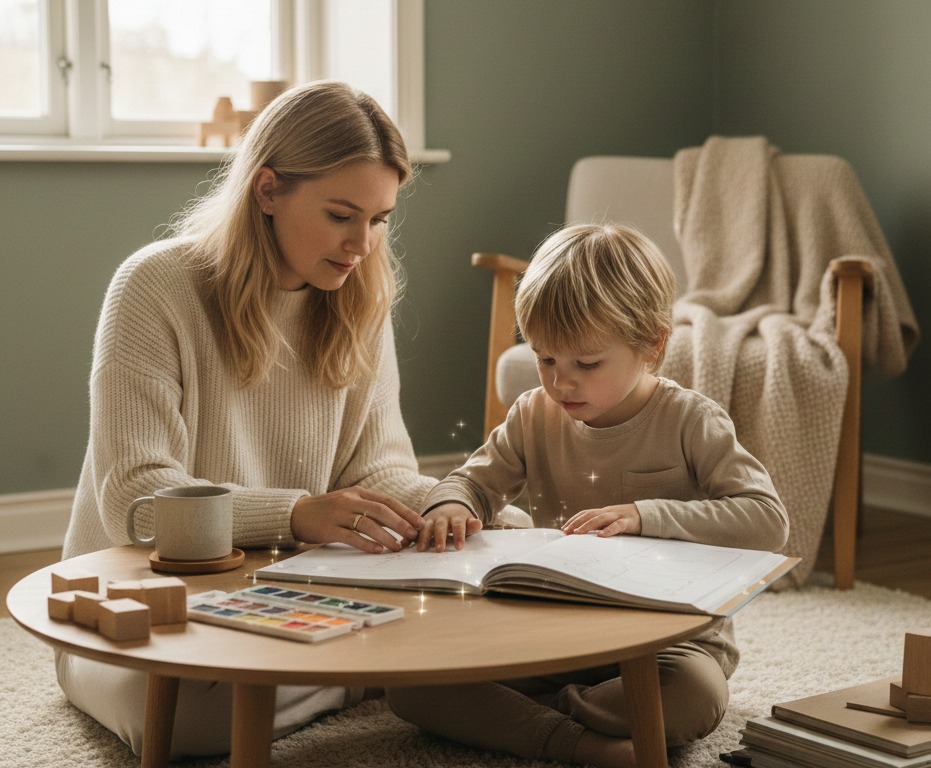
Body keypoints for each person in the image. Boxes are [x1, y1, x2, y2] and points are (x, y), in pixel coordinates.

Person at [57, 80, 437, 758]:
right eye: (342, 215)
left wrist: (450, 503)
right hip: (136, 601)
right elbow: (138, 503)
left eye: (379, 220)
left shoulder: (359, 299)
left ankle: (348, 672)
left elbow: (380, 467)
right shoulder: (154, 288)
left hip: (287, 599)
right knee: (177, 716)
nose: (362, 246)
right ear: (267, 191)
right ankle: (365, 679)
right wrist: (298, 514)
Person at [386, 223, 789, 768]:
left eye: (587, 363)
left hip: (669, 646)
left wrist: (645, 516)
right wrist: (451, 505)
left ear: (652, 344)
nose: (562, 383)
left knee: (692, 697)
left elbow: (766, 521)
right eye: (546, 360)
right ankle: (580, 742)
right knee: (409, 685)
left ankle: (526, 720)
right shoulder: (533, 414)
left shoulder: (692, 420)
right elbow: (472, 480)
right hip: (555, 632)